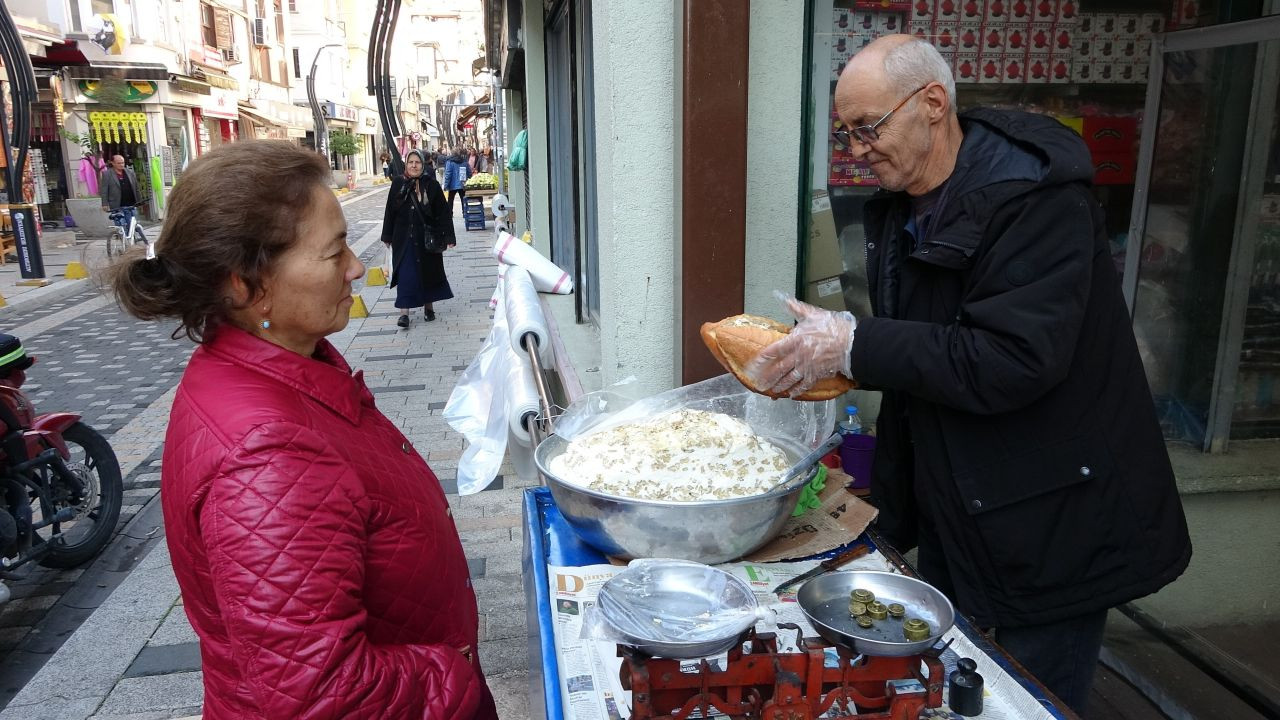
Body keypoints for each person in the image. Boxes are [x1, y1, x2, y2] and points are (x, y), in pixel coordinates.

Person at [747, 35, 1191, 716]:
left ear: (931, 103)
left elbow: (1009, 360)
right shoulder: (901, 207)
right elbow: (927, 361)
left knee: (1031, 700)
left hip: (1055, 520)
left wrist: (855, 346)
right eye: (847, 133)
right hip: (962, 510)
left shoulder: (1034, 200)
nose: (857, 148)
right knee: (954, 691)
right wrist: (837, 373)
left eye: (869, 128)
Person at [107, 141, 496, 720]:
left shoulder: (285, 367)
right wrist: (455, 670)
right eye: (334, 251)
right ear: (242, 283)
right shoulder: (268, 454)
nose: (356, 268)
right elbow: (322, 696)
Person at [381, 148, 456, 327]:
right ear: (406, 164)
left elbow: (443, 213)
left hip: (426, 238)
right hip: (404, 238)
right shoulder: (398, 183)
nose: (414, 166)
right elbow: (389, 211)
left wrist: (448, 236)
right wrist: (387, 235)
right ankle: (404, 313)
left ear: (423, 164)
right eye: (411, 162)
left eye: (417, 162)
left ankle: (428, 308)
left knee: (428, 272)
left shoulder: (431, 184)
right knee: (405, 274)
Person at [100, 154, 144, 238]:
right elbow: (104, 190)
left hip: (131, 204)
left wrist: (139, 201)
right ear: (113, 163)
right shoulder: (107, 174)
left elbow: (136, 187)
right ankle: (123, 241)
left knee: (132, 225)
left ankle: (132, 240)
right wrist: (104, 204)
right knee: (121, 226)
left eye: (123, 163)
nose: (121, 165)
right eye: (119, 163)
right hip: (117, 204)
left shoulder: (130, 172)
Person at [443, 148, 471, 216]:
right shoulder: (464, 161)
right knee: (463, 199)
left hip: (452, 185)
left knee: (450, 199)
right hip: (462, 184)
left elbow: (448, 174)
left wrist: (446, 185)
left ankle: (450, 213)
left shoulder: (449, 162)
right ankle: (465, 212)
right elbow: (469, 172)